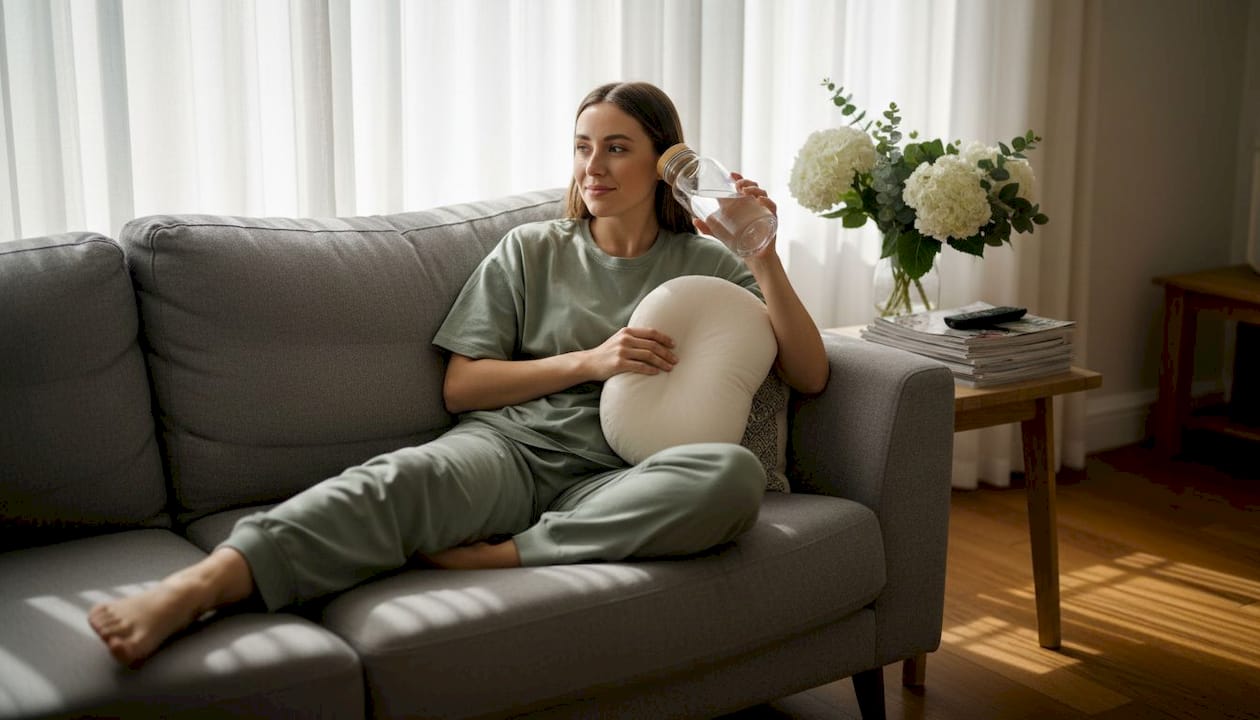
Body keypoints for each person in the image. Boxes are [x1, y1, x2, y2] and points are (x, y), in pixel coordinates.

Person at [88, 81, 828, 667]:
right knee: (392, 484)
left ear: (663, 161)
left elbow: (810, 372)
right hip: (511, 451)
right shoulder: (531, 249)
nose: (591, 168)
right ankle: (196, 586)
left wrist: (760, 250)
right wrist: (591, 360)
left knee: (729, 477)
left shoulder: (706, 263)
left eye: (615, 148)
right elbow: (462, 386)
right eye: (581, 148)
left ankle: (515, 553)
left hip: (622, 473)